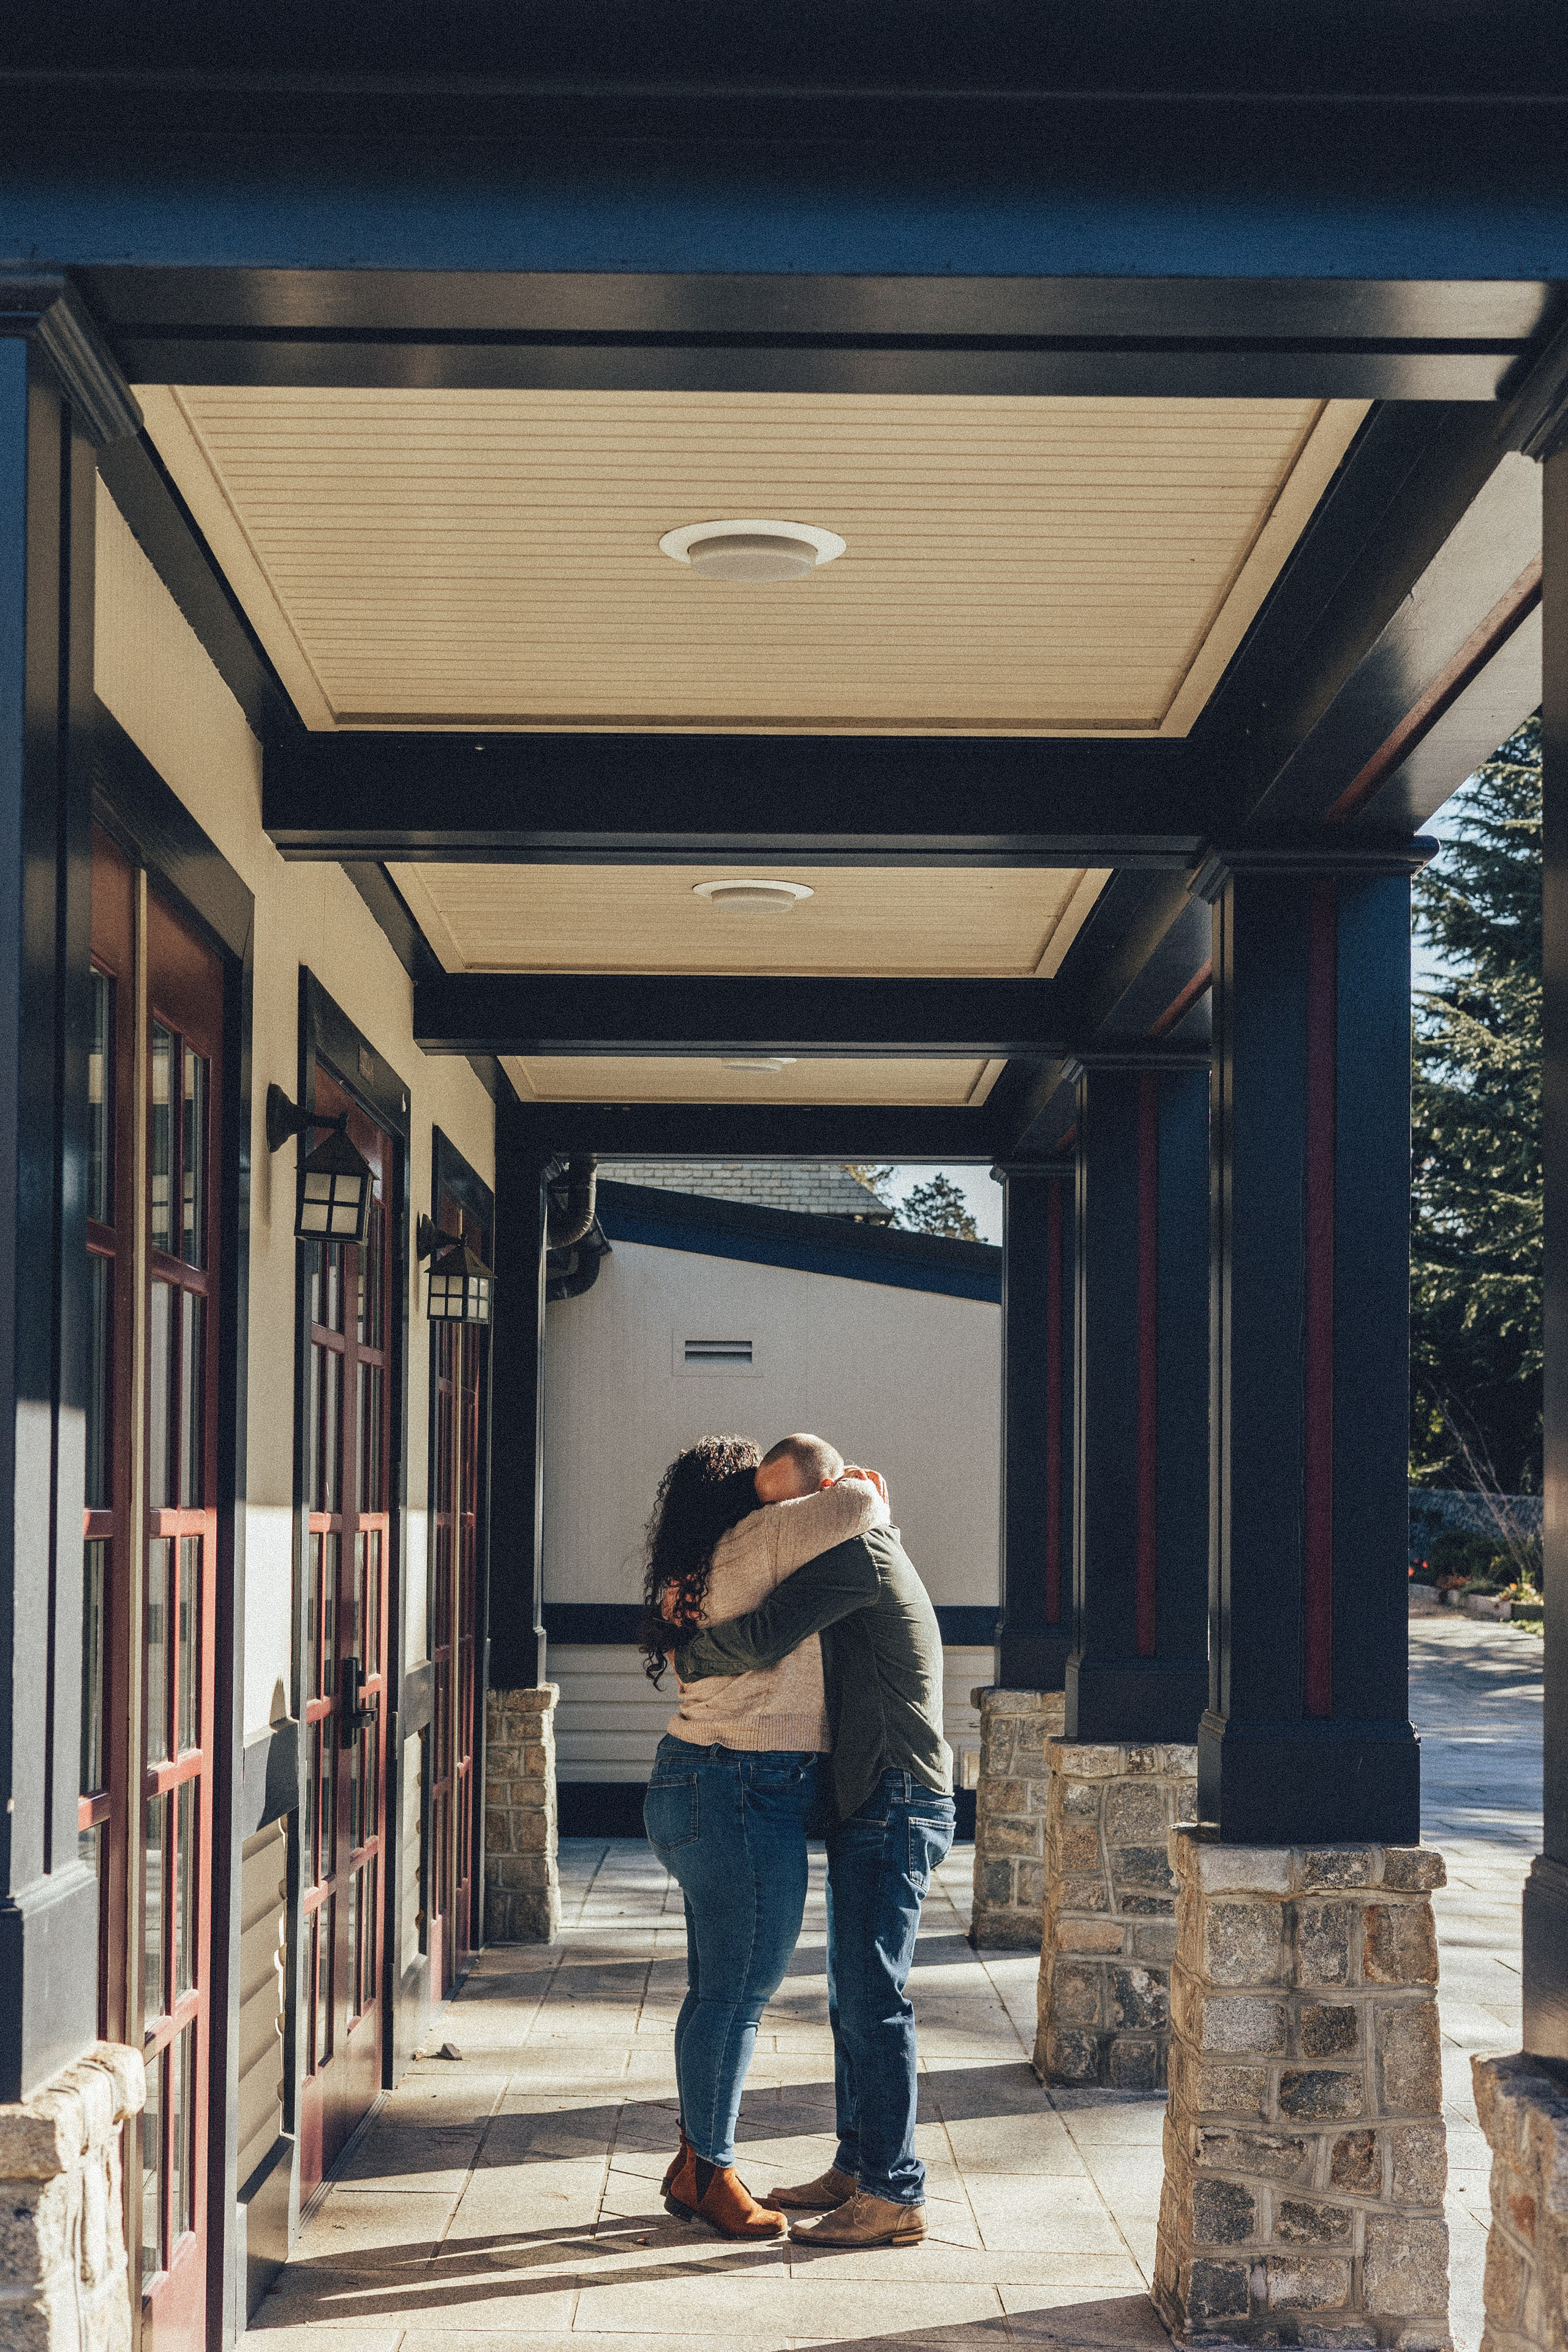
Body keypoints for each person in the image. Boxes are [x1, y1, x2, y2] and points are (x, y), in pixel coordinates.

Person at [670, 1431, 955, 2250]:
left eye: (790, 1510)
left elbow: (764, 1634)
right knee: (850, 1996)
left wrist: (689, 1653)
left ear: (823, 1500)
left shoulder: (859, 1554)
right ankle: (858, 2164)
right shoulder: (854, 1543)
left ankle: (894, 2191)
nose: (781, 1527)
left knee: (875, 2000)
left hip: (896, 1796)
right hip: (874, 1798)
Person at [639, 1431, 889, 2241]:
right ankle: (712, 2175)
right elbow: (862, 1503)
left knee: (713, 1991)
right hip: (743, 1789)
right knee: (738, 1995)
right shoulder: (762, 1535)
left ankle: (693, 2162)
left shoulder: (692, 1567)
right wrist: (847, 1479)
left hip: (687, 1782)